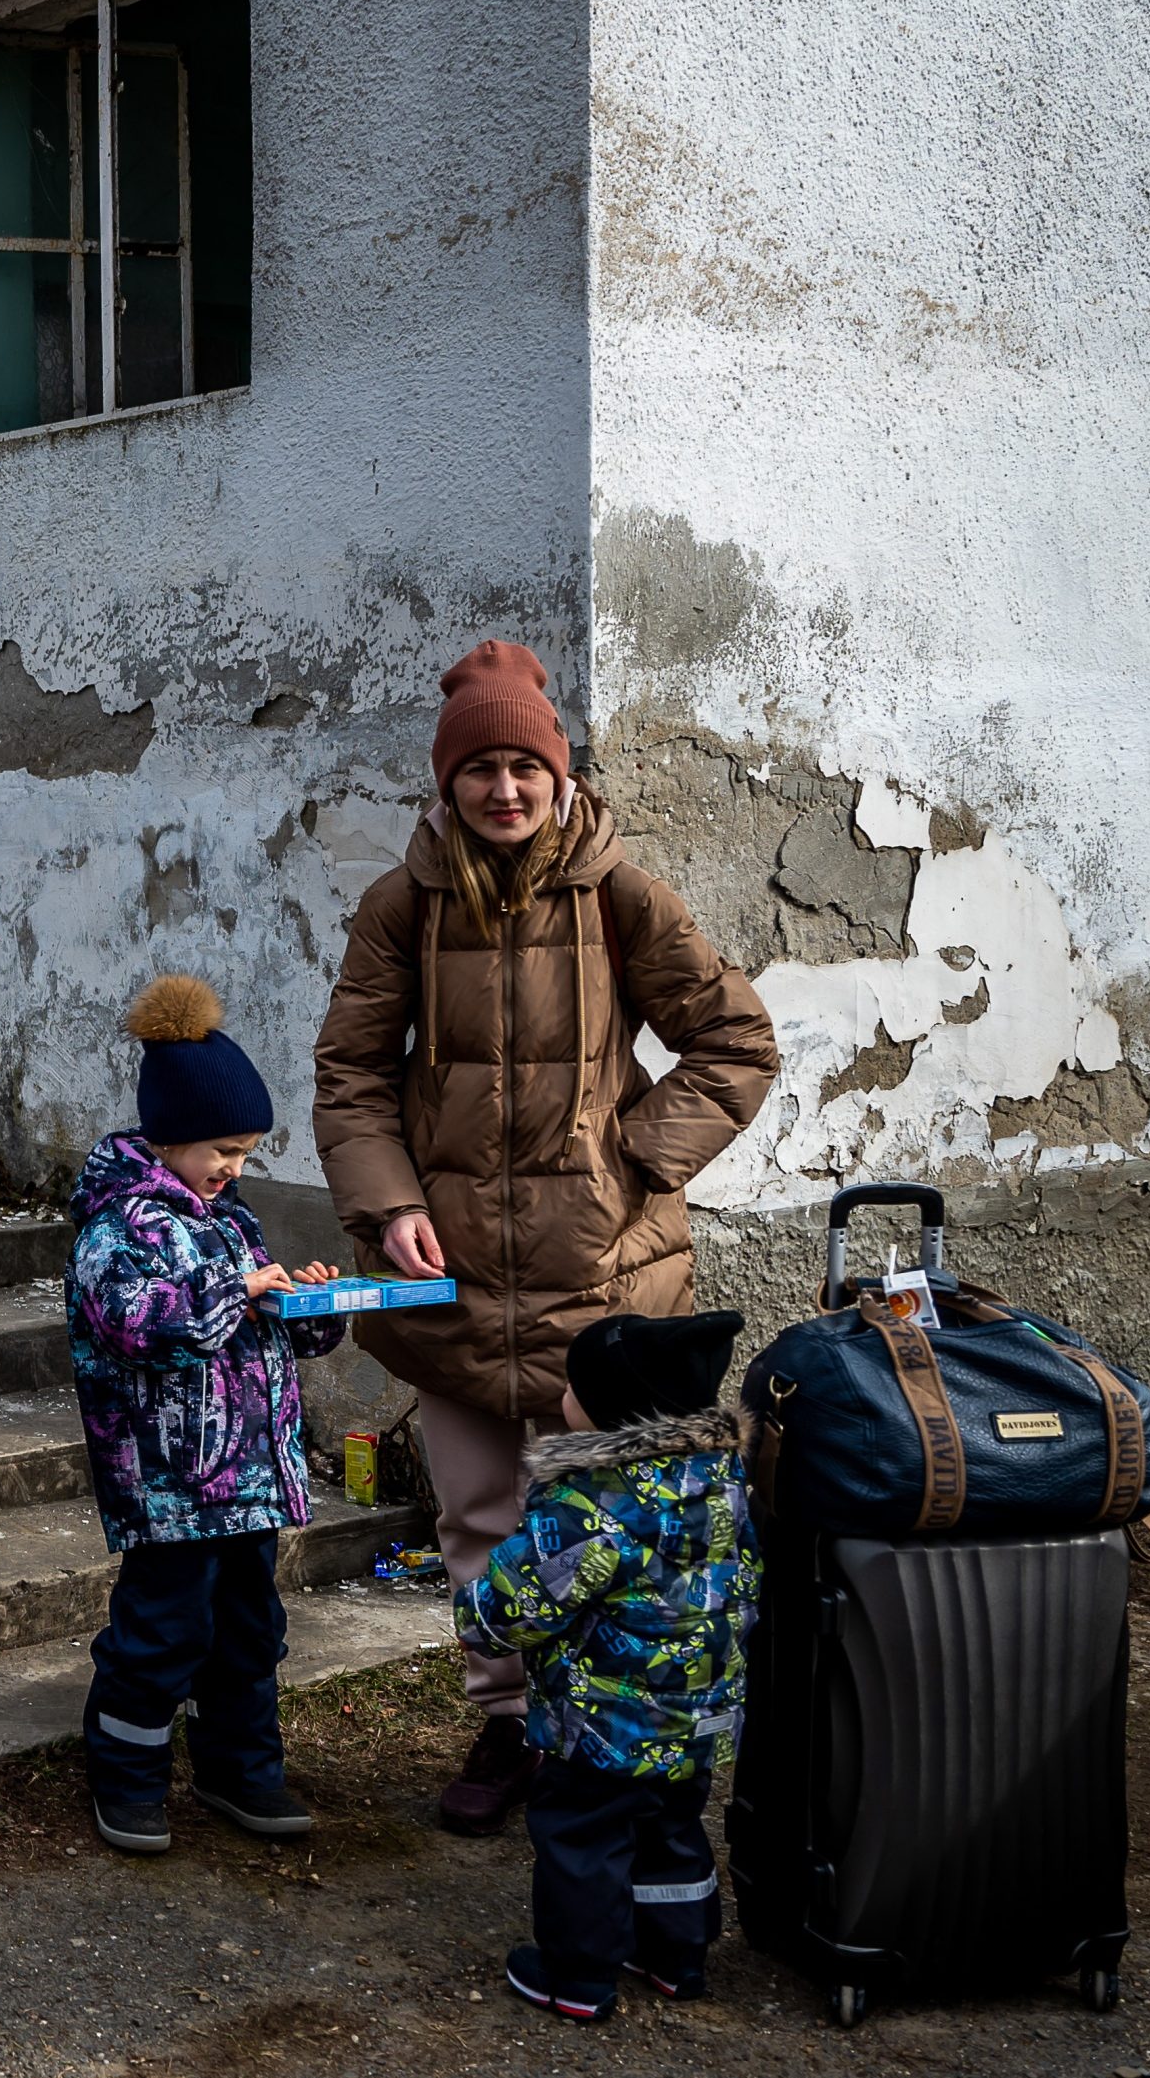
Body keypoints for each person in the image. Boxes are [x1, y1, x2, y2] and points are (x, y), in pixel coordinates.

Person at [311, 639, 777, 1837]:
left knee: (606, 1520)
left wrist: (635, 1155)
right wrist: (388, 1202)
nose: (505, 789)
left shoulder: (622, 893)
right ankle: (508, 1720)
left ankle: (603, 1723)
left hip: (602, 1275)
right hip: (451, 1270)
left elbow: (736, 1043)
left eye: (526, 765)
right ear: (448, 781)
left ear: (557, 774)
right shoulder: (400, 904)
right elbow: (352, 1072)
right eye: (481, 769)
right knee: (475, 1514)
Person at [66, 976, 349, 1857]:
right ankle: (128, 1776)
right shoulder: (118, 1227)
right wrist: (236, 1289)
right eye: (224, 1149)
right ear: (173, 1135)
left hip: (249, 1482)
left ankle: (241, 1766)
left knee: (249, 1629)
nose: (234, 1168)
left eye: (246, 1153)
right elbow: (142, 1324)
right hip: (170, 1484)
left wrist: (305, 1304)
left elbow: (261, 1333)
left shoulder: (232, 1222)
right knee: (163, 1630)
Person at [457, 1309, 758, 2023]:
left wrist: (476, 1612)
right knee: (673, 1827)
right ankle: (676, 1957)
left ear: (612, 1407)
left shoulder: (592, 1499)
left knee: (581, 1834)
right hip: (698, 1709)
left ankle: (576, 1974)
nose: (561, 1392)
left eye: (571, 1381)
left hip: (604, 1721)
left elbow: (511, 1605)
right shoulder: (720, 1477)